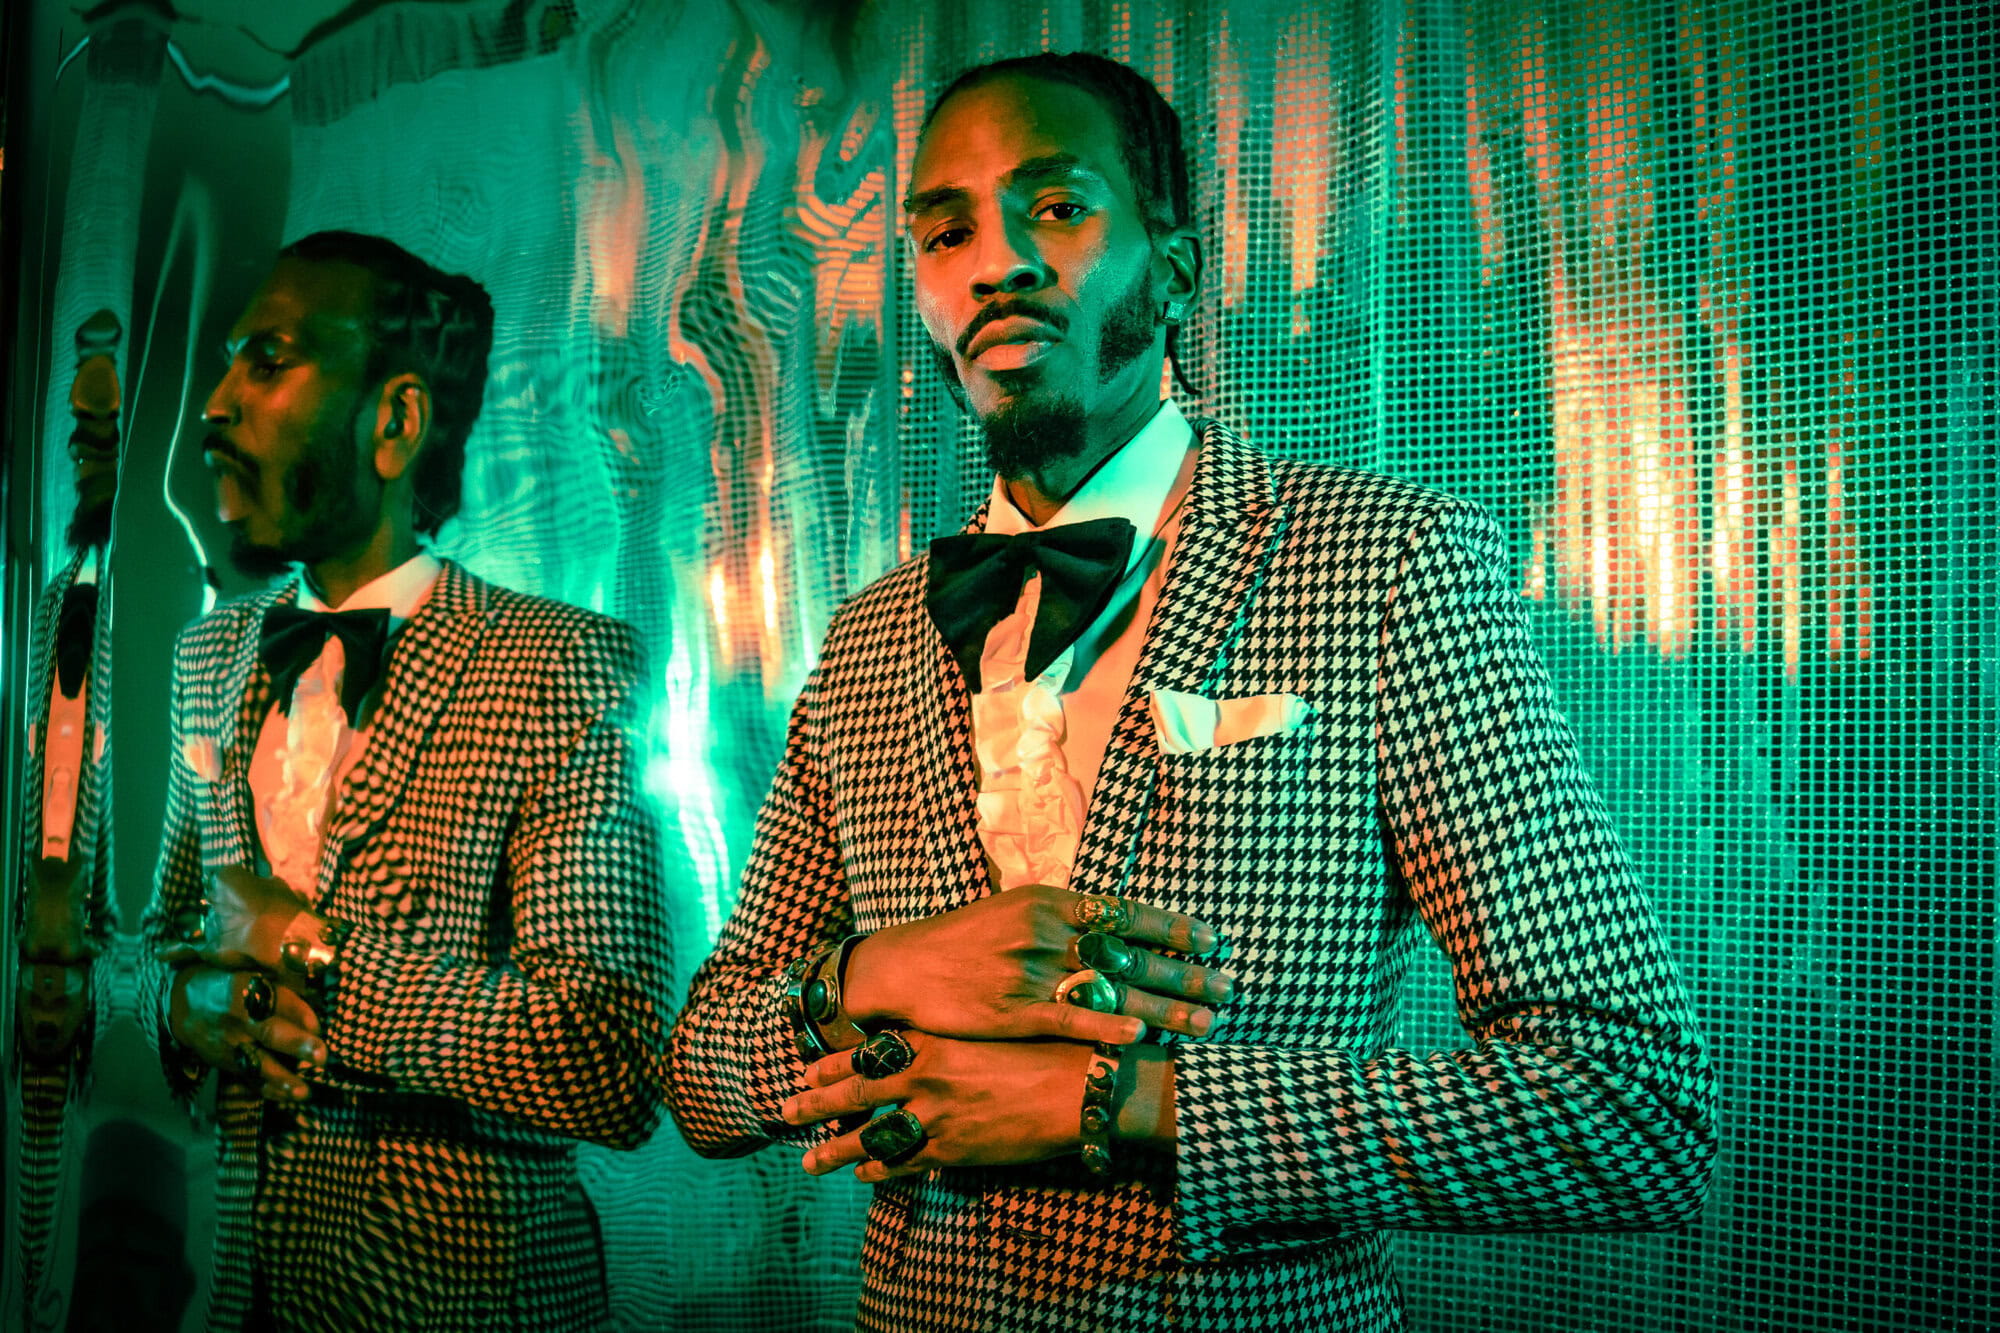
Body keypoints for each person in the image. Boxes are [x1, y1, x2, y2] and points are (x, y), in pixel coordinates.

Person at [663, 52, 1717, 1331]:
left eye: (1055, 207)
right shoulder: (871, 636)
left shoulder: (1382, 565)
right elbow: (703, 1078)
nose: (994, 259)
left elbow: (1630, 1106)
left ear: (1171, 266)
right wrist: (879, 971)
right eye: (945, 231)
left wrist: (1121, 1103)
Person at [140, 231, 672, 1331]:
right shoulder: (209, 656)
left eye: (267, 360)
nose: (214, 405)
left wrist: (315, 961)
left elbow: (612, 1055)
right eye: (229, 362)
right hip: (227, 1282)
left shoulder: (557, 663)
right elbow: (161, 938)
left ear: (394, 423)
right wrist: (180, 1001)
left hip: (462, 1303)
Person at [15, 308, 126, 1300]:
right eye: (63, 995)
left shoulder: (18, 859)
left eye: (33, 999)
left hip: (71, 611)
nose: (47, 995)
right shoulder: (116, 883)